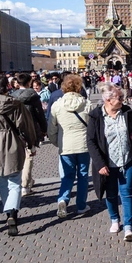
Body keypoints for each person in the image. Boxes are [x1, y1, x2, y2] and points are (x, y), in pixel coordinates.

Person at [0, 74, 39, 236]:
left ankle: (8, 212)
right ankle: (13, 213)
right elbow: (26, 126)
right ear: (6, 86)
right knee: (15, 182)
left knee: (1, 182)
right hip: (13, 143)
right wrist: (31, 143)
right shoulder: (16, 104)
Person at [86, 83, 132, 241]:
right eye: (120, 98)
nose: (123, 100)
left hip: (126, 160)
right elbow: (91, 142)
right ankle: (114, 219)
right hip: (107, 164)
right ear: (108, 100)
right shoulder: (96, 116)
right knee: (111, 194)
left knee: (127, 194)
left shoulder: (126, 112)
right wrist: (99, 164)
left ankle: (128, 227)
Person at [48, 74, 91, 218]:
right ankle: (81, 205)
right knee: (83, 176)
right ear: (79, 87)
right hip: (84, 145)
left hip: (65, 146)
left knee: (67, 176)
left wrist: (57, 142)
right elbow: (92, 127)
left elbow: (52, 129)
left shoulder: (57, 105)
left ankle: (63, 199)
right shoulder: (86, 104)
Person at [12, 73, 48, 196]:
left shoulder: (12, 96)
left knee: (21, 156)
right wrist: (44, 129)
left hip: (16, 130)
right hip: (30, 129)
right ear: (29, 83)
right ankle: (24, 185)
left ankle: (29, 180)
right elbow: (39, 114)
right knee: (29, 156)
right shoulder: (33, 96)